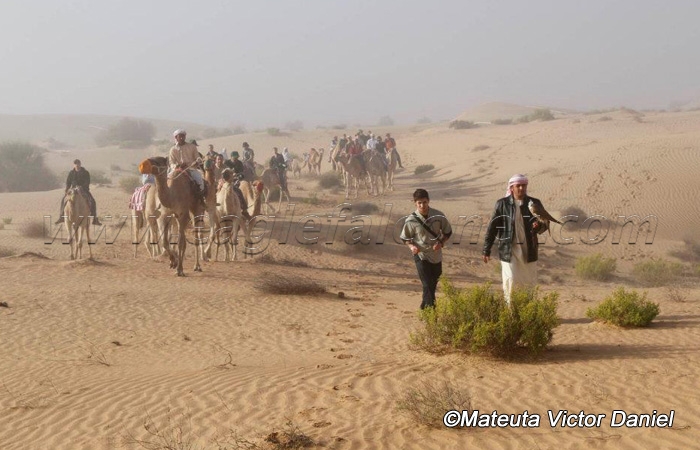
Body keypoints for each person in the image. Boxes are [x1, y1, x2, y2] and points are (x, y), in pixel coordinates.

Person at [482, 174, 547, 304]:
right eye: (518, 186)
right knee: (510, 280)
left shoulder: (534, 203)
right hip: (508, 250)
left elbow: (544, 225)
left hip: (528, 250)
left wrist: (538, 226)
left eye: (524, 185)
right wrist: (486, 249)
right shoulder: (502, 204)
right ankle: (510, 311)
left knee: (529, 282)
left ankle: (527, 310)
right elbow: (492, 228)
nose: (521, 188)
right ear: (511, 188)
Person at [401, 189, 452, 309]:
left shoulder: (439, 216)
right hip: (421, 255)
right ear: (415, 203)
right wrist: (411, 246)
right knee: (427, 284)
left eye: (424, 202)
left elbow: (447, 232)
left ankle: (424, 306)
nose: (422, 205)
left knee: (433, 284)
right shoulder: (411, 220)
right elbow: (405, 238)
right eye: (419, 203)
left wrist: (441, 242)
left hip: (436, 255)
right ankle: (432, 312)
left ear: (428, 201)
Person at [55, 159, 101, 225]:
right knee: (64, 200)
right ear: (74, 165)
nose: (77, 165)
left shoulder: (85, 172)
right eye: (75, 164)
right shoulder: (71, 173)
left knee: (92, 201)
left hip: (83, 190)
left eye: (78, 163)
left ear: (80, 164)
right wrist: (67, 189)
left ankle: (94, 218)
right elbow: (68, 182)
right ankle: (61, 217)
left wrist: (81, 187)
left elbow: (87, 182)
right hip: (73, 190)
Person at [168, 129, 205, 203]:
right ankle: (166, 202)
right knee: (167, 181)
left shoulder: (192, 147)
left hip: (191, 169)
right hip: (178, 170)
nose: (181, 138)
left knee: (200, 182)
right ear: (176, 138)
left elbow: (198, 158)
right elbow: (171, 162)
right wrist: (176, 166)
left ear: (185, 137)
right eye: (180, 136)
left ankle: (201, 201)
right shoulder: (172, 150)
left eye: (183, 136)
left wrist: (196, 161)